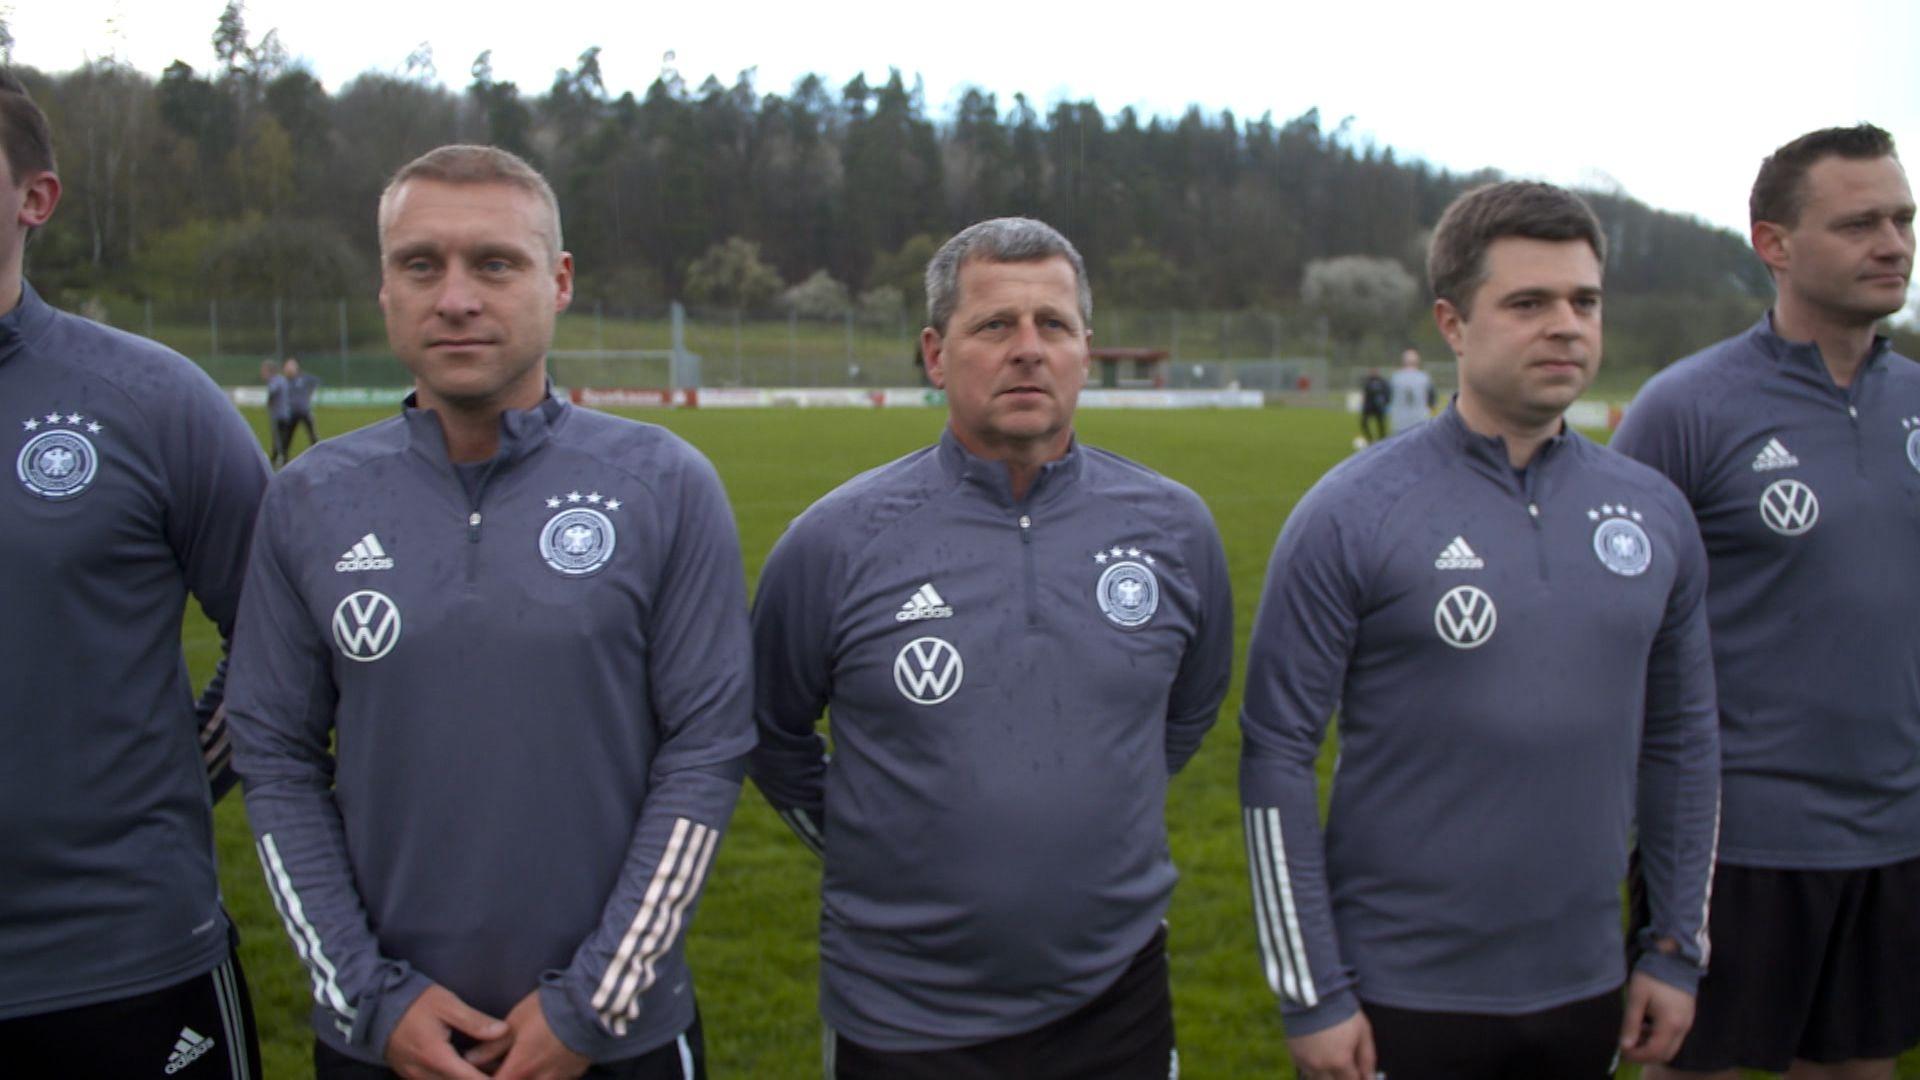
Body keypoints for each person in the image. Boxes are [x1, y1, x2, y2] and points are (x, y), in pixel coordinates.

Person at [225, 144, 753, 1080]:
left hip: (616, 1034)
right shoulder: (309, 500)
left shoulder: (664, 485)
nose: (456, 296)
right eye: (421, 264)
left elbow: (707, 749)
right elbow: (274, 757)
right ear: (385, 287)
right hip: (383, 1036)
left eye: (495, 264)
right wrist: (370, 995)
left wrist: (593, 1002)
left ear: (558, 282)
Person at [1239, 181, 1720, 1080]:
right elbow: (1275, 755)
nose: (1566, 325)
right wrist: (1313, 994)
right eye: (1528, 303)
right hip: (1398, 992)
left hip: (1587, 983)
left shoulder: (1654, 514)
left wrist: (1673, 946)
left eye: (1584, 301)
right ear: (1454, 325)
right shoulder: (1351, 513)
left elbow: (1686, 745)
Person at [750, 216, 1233, 1079]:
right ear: (936, 355)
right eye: (994, 325)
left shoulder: (1174, 529)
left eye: (1053, 325)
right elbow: (771, 731)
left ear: (1086, 349)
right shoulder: (834, 542)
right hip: (902, 1010)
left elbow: (1190, 706)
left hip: (1115, 997)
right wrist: (877, 834)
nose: (1027, 349)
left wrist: (1094, 810)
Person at [1612, 124, 1920, 1080]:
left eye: (1904, 219)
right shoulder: (1688, 409)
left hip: (1895, 832)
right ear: (1773, 245)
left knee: (1856, 1069)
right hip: (1734, 844)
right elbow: (1612, 624)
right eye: (1860, 222)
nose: (1895, 243)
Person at [0, 69, 269, 1077]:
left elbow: (283, 635)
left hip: (120, 961)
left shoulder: (148, 401)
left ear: (36, 198)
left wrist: (171, 780)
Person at [275, 355, 321, 465]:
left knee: (313, 435)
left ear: (296, 368)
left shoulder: (304, 378)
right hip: (291, 413)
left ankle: (319, 455)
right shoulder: (284, 381)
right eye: (287, 368)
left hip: (305, 411)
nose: (289, 370)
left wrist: (309, 395)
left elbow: (316, 382)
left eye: (291, 367)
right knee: (287, 437)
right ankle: (284, 458)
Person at [1386, 346, 1435, 434]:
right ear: (1417, 361)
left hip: (1399, 421)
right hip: (1420, 420)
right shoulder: (1424, 377)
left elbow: (1387, 397)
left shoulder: (1395, 377)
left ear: (1403, 361)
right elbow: (1432, 399)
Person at [1358, 368, 1390, 443]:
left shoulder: (1382, 381)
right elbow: (1364, 392)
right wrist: (1363, 403)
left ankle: (1382, 440)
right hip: (1368, 406)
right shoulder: (1368, 381)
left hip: (1378, 407)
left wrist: (1385, 402)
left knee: (1381, 424)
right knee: (1363, 422)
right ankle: (1370, 439)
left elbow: (1387, 393)